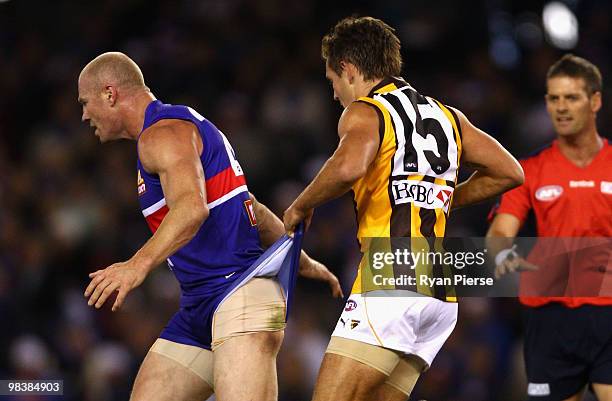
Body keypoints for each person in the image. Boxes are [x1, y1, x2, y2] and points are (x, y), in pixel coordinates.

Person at [282, 16, 524, 401]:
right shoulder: (448, 117)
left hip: (391, 276)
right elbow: (510, 172)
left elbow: (348, 167)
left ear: (348, 69)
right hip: (440, 291)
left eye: (332, 82)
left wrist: (300, 204)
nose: (334, 95)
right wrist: (443, 197)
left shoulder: (365, 110)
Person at [78, 52, 342, 401]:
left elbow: (191, 210)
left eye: (85, 102)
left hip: (239, 294)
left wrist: (135, 265)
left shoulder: (161, 134)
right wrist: (305, 262)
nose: (84, 115)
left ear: (109, 94)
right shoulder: (179, 127)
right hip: (199, 310)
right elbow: (254, 210)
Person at [487, 54, 612, 401]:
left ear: (595, 101)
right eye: (554, 99)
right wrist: (503, 253)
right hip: (551, 318)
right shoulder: (529, 171)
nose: (561, 107)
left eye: (571, 97)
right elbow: (500, 233)